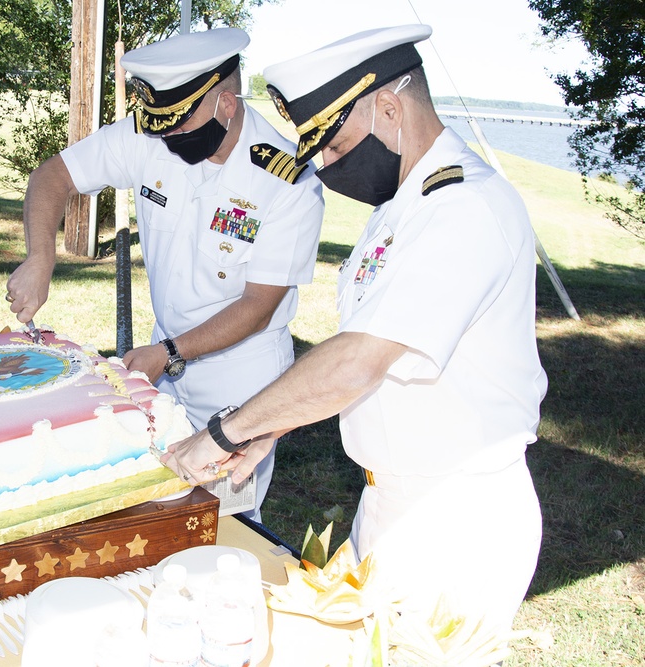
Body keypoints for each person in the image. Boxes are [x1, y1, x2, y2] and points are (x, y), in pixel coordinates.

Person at [162, 24, 547, 635]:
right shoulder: (405, 206)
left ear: (390, 108)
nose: (328, 167)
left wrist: (225, 432)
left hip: (454, 516)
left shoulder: (463, 209)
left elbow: (357, 359)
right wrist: (274, 425)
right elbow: (383, 361)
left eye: (335, 148)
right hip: (395, 500)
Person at [6, 28, 325, 520]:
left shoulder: (286, 179)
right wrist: (40, 257)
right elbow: (54, 175)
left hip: (240, 381)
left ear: (226, 102)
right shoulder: (148, 134)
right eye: (162, 124)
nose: (169, 135)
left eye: (180, 123)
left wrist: (169, 353)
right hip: (161, 362)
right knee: (142, 505)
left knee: (220, 519)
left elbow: (258, 306)